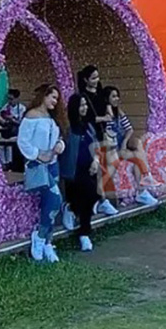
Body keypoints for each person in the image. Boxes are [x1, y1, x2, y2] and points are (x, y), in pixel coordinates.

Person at [17, 84, 66, 263]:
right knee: (55, 199)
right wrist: (38, 154)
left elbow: (58, 138)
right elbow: (23, 141)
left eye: (57, 99)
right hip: (38, 165)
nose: (55, 101)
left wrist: (60, 145)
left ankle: (47, 241)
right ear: (44, 96)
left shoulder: (51, 118)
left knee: (49, 204)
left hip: (53, 164)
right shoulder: (31, 116)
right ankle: (39, 236)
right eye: (53, 97)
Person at [67, 65, 118, 217]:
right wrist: (102, 118)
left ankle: (99, 197)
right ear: (85, 79)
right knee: (98, 167)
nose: (97, 80)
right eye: (93, 78)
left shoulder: (100, 91)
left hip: (103, 133)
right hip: (91, 133)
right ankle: (100, 199)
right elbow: (86, 117)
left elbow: (108, 105)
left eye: (97, 77)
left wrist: (109, 110)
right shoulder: (83, 96)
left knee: (112, 163)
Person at [101, 85, 158, 207]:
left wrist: (125, 142)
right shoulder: (106, 115)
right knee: (136, 158)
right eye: (113, 96)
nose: (116, 99)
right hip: (112, 148)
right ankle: (144, 184)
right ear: (107, 99)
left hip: (120, 144)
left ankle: (142, 187)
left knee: (137, 145)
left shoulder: (119, 113)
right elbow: (108, 134)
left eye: (117, 96)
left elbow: (129, 129)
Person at [60, 95, 99, 252]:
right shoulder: (67, 127)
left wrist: (96, 160)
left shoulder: (88, 125)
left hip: (90, 168)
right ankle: (83, 230)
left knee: (91, 197)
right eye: (81, 105)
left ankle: (81, 227)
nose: (84, 108)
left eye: (85, 104)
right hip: (73, 171)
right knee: (88, 194)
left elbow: (96, 145)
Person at [0, 89, 25, 169]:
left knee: (10, 146)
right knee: (1, 145)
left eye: (11, 99)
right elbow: (0, 115)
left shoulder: (22, 109)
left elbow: (22, 124)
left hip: (16, 133)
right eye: (8, 99)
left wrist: (13, 120)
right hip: (7, 131)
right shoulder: (6, 107)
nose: (9, 101)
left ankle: (10, 164)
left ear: (17, 99)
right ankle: (3, 164)